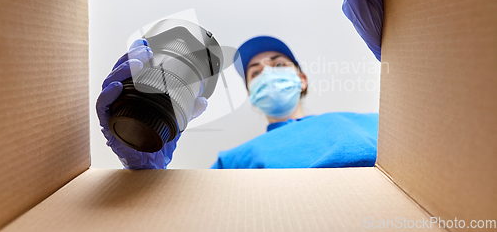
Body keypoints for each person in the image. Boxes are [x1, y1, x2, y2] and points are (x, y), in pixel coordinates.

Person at [97, 35, 378, 169]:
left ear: (301, 79)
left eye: (278, 65)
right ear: (250, 92)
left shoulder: (370, 122)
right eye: (255, 72)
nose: (267, 72)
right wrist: (146, 177)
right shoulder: (230, 161)